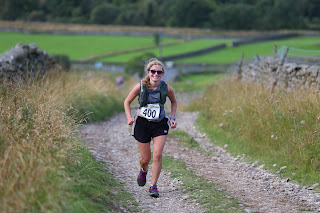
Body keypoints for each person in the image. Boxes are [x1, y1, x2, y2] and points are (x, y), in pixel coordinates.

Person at [124, 58, 177, 198]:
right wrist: (130, 118)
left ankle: (153, 186)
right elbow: (127, 102)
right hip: (142, 123)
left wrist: (172, 118)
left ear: (163, 74)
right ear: (148, 72)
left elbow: (174, 101)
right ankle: (143, 170)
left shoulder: (166, 88)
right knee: (146, 159)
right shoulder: (140, 86)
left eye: (159, 72)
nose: (156, 74)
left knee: (158, 154)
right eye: (153, 71)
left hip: (159, 123)